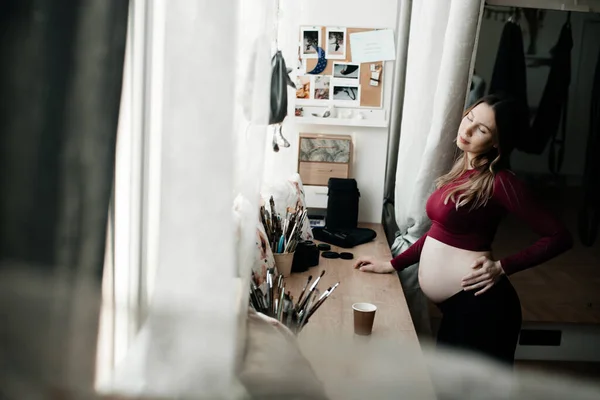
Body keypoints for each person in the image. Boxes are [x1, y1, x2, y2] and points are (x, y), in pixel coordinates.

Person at [354, 93, 573, 365]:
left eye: (481, 129)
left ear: (497, 141)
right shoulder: (462, 172)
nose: (467, 130)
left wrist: (502, 267)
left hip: (484, 308)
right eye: (469, 118)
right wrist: (393, 264)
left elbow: (559, 236)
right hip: (460, 309)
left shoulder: (501, 181)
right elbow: (439, 235)